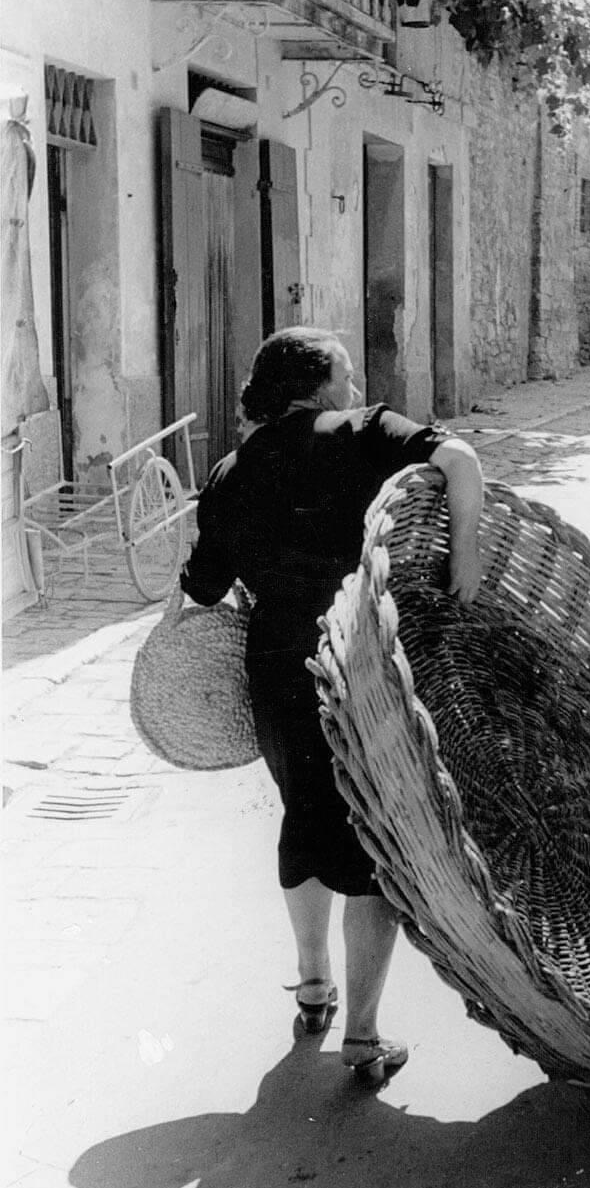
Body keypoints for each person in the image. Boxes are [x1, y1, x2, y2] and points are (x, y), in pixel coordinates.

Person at [179, 327, 484, 1085]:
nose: (354, 385)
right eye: (344, 373)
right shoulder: (367, 430)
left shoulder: (229, 469)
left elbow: (201, 588)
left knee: (304, 815)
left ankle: (313, 987)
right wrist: (466, 551)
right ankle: (364, 1033)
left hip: (275, 665)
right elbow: (461, 460)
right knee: (370, 833)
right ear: (315, 385)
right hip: (355, 658)